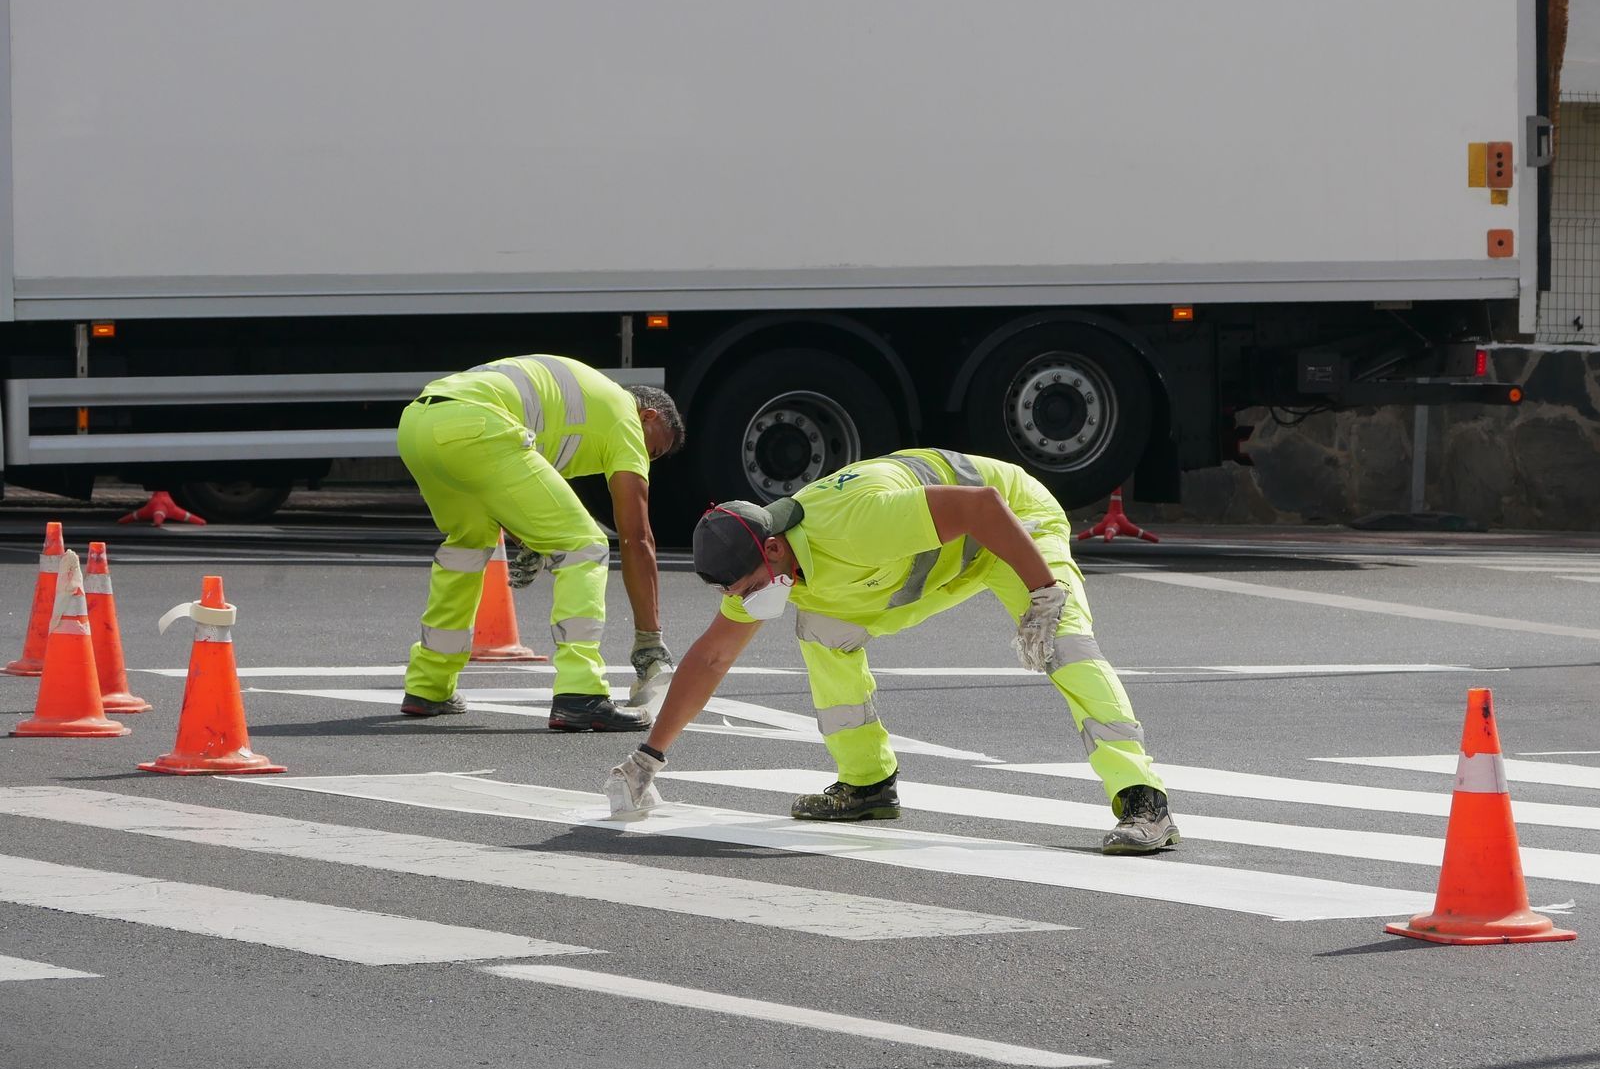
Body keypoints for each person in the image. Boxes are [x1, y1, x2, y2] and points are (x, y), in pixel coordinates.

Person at [606, 447, 1179, 855]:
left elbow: (982, 506)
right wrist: (648, 758)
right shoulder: (770, 559)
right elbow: (711, 657)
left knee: (1065, 644)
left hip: (1014, 520)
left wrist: (1043, 590)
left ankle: (1143, 802)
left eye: (749, 587)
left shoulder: (856, 525)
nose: (746, 601)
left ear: (775, 551)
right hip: (938, 558)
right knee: (824, 631)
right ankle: (867, 786)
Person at [396, 353, 683, 731]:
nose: (647, 459)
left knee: (467, 547)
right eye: (654, 449)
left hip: (418, 424)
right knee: (586, 544)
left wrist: (527, 537)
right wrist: (649, 638)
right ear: (649, 417)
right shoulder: (624, 415)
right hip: (478, 424)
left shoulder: (577, 408)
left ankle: (429, 685)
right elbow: (637, 536)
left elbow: (508, 489)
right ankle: (581, 693)